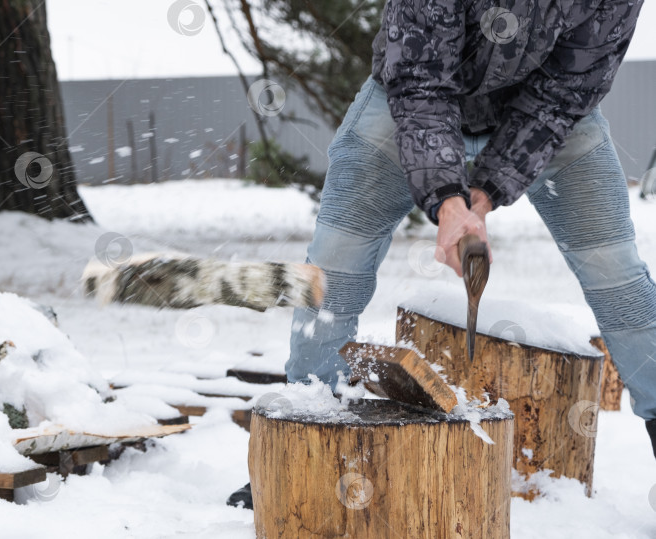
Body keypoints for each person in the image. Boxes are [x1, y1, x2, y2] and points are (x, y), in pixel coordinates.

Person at [229, 0, 654, 509]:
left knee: (620, 279)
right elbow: (420, 76)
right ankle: (303, 434)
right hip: (408, 102)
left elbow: (563, 95)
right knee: (333, 265)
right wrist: (448, 201)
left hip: (551, 120)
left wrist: (488, 190)